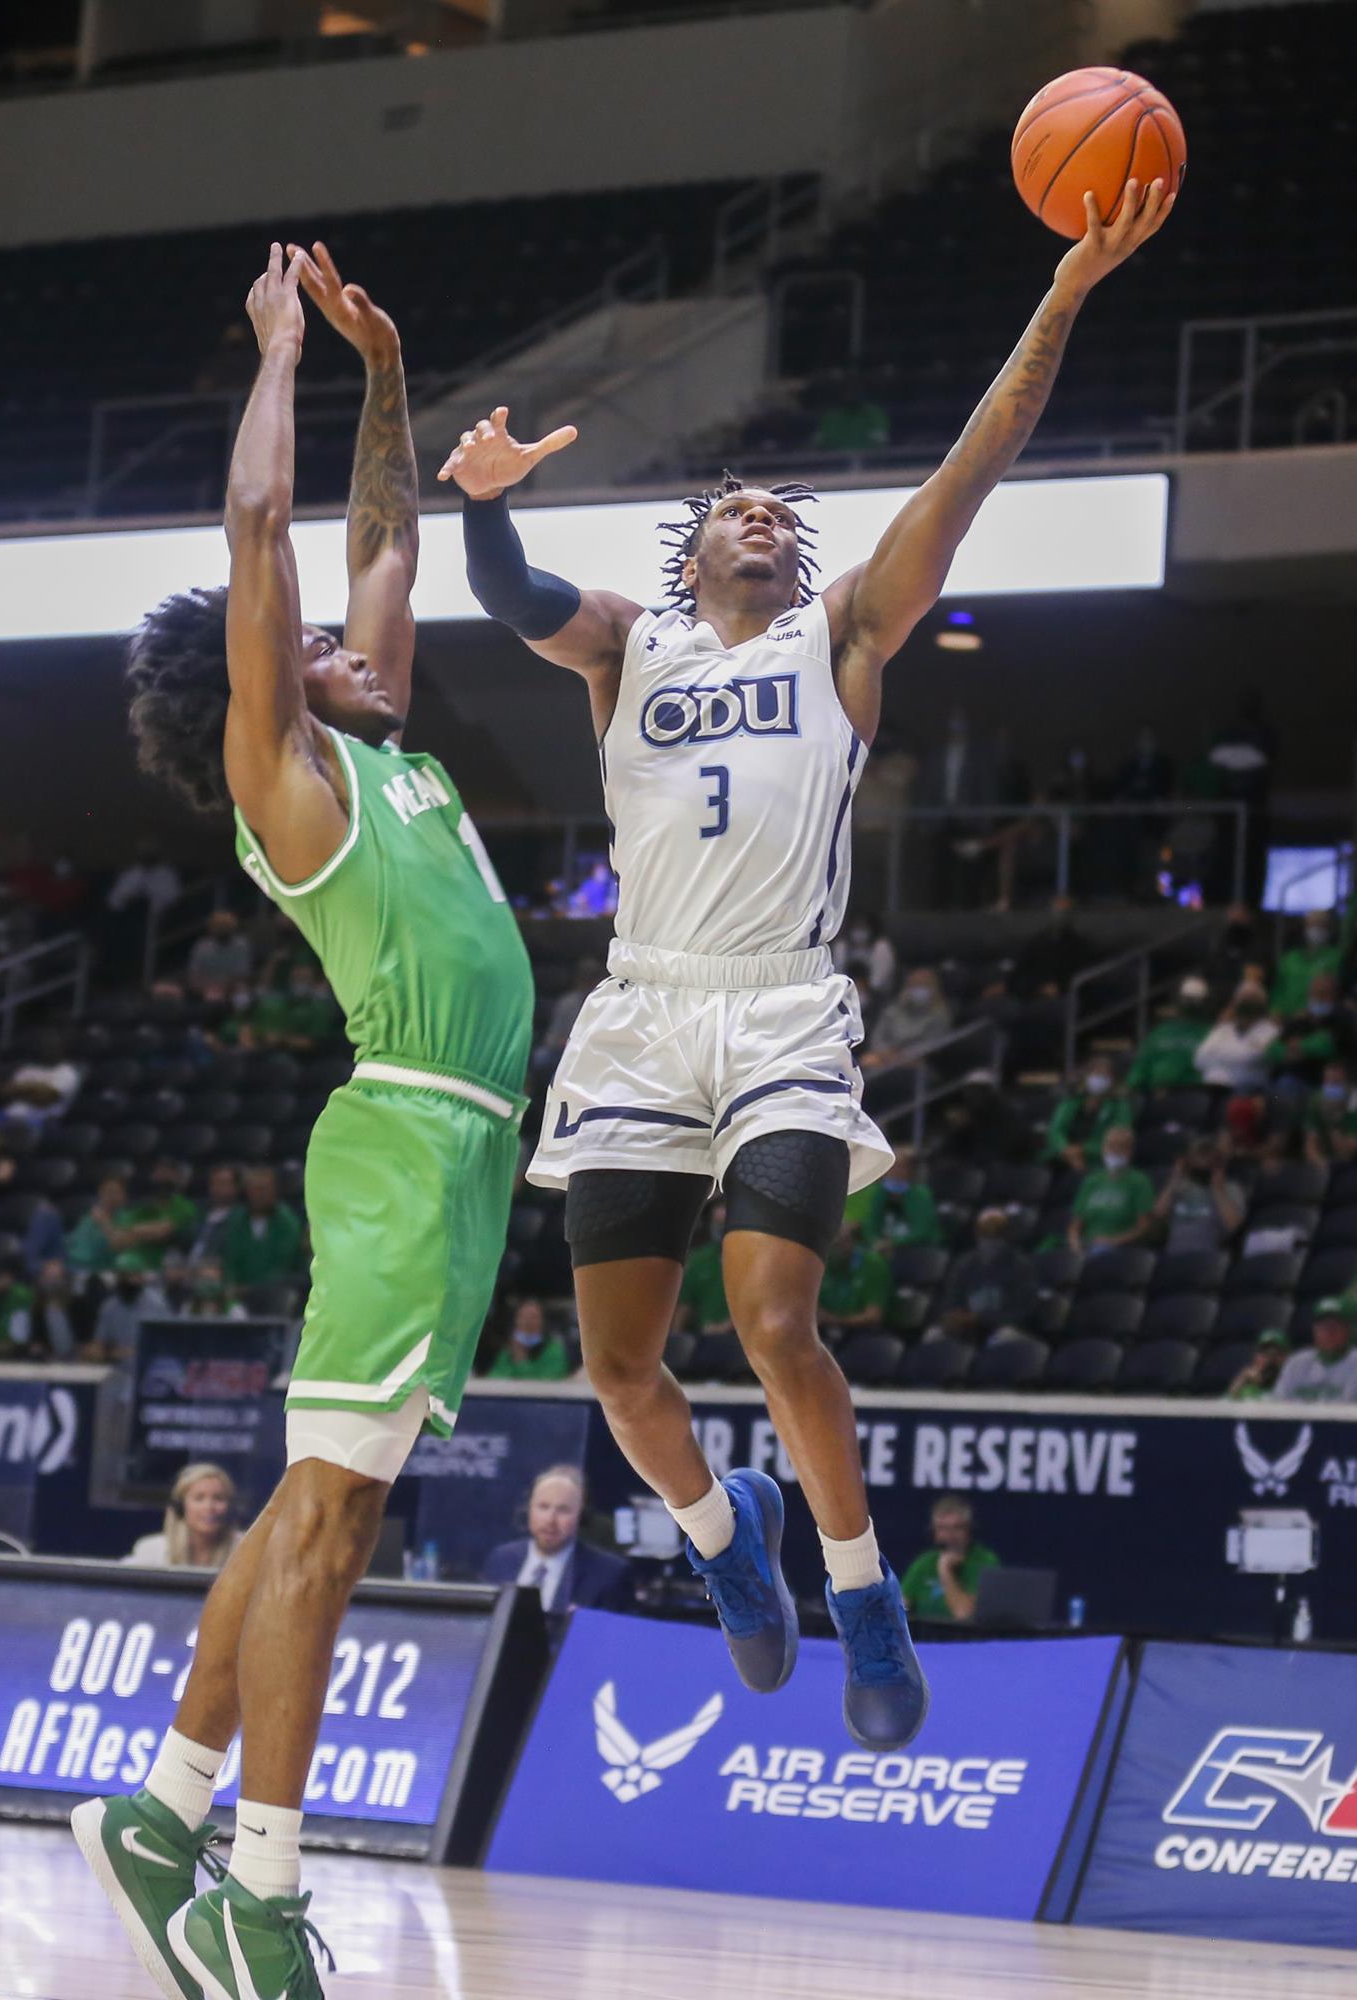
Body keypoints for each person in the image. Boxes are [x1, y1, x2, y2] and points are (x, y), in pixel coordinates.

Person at [442, 169, 1170, 1754]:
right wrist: (485, 499)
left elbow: (967, 477)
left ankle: (862, 1597)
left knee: (775, 1325)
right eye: (736, 515)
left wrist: (1063, 293)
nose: (763, 523)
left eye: (783, 516)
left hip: (778, 1004)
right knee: (618, 1371)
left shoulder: (838, 638)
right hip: (640, 1013)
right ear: (691, 547)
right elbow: (502, 597)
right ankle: (727, 1549)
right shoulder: (625, 643)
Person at [72, 238, 534, 2000]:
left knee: (294, 1512)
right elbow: (267, 544)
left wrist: (386, 373)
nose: (353, 639)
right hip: (409, 1145)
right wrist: (272, 350)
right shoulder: (297, 781)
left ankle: (164, 1808)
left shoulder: (394, 742)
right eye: (317, 650)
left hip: (470, 1153)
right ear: (258, 705)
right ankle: (256, 1897)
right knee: (336, 1531)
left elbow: (382, 543)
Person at [481, 1464, 633, 1612]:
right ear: (528, 1509)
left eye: (563, 1510)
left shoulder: (608, 1573)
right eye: (543, 1507)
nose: (550, 1520)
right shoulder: (501, 1559)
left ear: (582, 1516)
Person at [935, 1209, 1037, 1342]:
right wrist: (953, 1317)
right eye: (984, 1235)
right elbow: (952, 1301)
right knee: (934, 1335)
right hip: (969, 1330)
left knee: (1004, 1337)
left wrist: (980, 1318)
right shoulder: (964, 1264)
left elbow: (1022, 1314)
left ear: (1006, 1236)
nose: (989, 1242)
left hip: (1005, 1330)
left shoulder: (1021, 1267)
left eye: (995, 1236)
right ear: (977, 1236)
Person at [124, 1463, 246, 1571]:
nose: (209, 1507)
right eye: (199, 1498)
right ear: (180, 1508)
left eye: (218, 1498)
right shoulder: (151, 1550)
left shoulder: (245, 1550)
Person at [899, 1495, 1000, 1624]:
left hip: (966, 1639)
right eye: (942, 1529)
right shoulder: (924, 1563)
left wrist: (945, 1570)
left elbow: (964, 1614)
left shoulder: (985, 1561)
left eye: (957, 1528)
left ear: (969, 1530)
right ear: (934, 1533)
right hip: (925, 1638)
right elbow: (899, 1609)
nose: (950, 1536)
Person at [1067, 1126, 1154, 1255]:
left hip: (1118, 1248)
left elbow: (1144, 1227)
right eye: (1110, 1146)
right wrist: (1075, 1245)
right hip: (1087, 1244)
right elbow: (1076, 1224)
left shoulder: (1139, 1181)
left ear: (1130, 1151)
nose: (1115, 1151)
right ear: (1103, 1148)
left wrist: (1113, 1241)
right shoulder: (1092, 1181)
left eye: (1121, 1147)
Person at [1151, 1138, 1247, 1255]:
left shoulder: (1231, 1189)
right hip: (1173, 1255)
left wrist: (1218, 1191)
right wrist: (1175, 1179)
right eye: (1198, 1160)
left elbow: (1234, 1226)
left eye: (1207, 1162)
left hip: (1208, 1258)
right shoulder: (1180, 1186)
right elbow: (1157, 1213)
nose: (1202, 1166)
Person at [1266, 973, 1357, 1095]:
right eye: (1314, 993)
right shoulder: (1300, 1019)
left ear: (1335, 996)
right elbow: (1273, 1049)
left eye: (1324, 993)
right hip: (1299, 1078)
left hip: (1333, 1082)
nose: (1318, 997)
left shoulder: (1344, 1018)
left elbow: (1328, 1044)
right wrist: (1289, 1052)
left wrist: (1299, 1045)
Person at [218, 1166, 305, 1291]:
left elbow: (283, 1265)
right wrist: (231, 1286)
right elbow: (230, 1260)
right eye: (255, 1189)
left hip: (277, 1292)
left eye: (264, 1189)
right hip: (237, 1292)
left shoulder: (287, 1222)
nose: (259, 1194)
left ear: (274, 1191)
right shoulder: (236, 1221)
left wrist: (252, 1289)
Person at [1043, 1054, 1134, 1170]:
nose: (1100, 1079)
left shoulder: (1120, 1106)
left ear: (1113, 1080)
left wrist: (1082, 1149)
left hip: (1097, 1161)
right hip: (1062, 1157)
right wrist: (1066, 1149)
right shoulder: (1072, 1100)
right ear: (1086, 1077)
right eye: (1096, 1074)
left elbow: (1120, 1139)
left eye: (1105, 1075)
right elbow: (1055, 1131)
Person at [847, 1143, 942, 1252]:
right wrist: (876, 1242)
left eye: (901, 1167)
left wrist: (893, 1243)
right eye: (892, 1167)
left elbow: (922, 1231)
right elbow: (871, 1226)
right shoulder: (878, 1193)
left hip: (919, 1251)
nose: (895, 1172)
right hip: (883, 1249)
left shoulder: (921, 1195)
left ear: (911, 1171)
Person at [1126, 976, 1211, 1094]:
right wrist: (1132, 1084)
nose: (1190, 1004)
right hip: (1154, 1094)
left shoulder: (1208, 1033)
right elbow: (1142, 1062)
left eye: (1195, 1000)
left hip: (1192, 1094)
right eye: (1187, 999)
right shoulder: (1161, 1031)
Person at [861, 967, 953, 1072]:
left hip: (916, 1063)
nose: (919, 988)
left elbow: (931, 1047)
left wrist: (899, 1056)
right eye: (915, 984)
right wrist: (885, 1054)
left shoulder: (940, 1015)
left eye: (924, 985)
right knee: (865, 1062)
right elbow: (878, 1037)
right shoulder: (894, 1009)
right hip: (885, 1056)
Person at [817, 1221, 894, 1339]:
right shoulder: (824, 1264)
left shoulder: (873, 1265)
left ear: (851, 1241)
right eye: (830, 1247)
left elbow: (873, 1317)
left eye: (839, 1244)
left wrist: (832, 1319)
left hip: (864, 1335)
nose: (833, 1252)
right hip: (826, 1331)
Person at [1195, 983, 1279, 1090]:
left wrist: (1219, 1055)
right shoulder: (1223, 1029)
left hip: (1245, 1091)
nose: (1245, 1001)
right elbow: (1199, 1059)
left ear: (1261, 1004)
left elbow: (1250, 1058)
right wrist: (1232, 1055)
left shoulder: (1270, 1031)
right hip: (1209, 1088)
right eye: (1242, 998)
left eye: (1250, 998)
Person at [1273, 1299, 1357, 1404]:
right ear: (1314, 1329)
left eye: (1335, 1326)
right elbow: (1279, 1401)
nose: (1329, 1332)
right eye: (1323, 1326)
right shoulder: (1297, 1362)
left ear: (1349, 1330)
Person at [674, 1199, 735, 1337]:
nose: (721, 1214)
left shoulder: (759, 1260)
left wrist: (726, 1326)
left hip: (743, 1342)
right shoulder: (699, 1259)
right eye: (717, 1224)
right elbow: (684, 1307)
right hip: (704, 1341)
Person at [1271, 908, 1347, 1019]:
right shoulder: (1290, 958)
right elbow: (1278, 989)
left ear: (1328, 929)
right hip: (1283, 1018)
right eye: (1312, 924)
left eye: (1321, 925)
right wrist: (1275, 1010)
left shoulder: (1336, 958)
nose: (1316, 929)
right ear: (1305, 928)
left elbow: (1335, 991)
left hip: (1317, 1018)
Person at [0, 1029, 83, 1124]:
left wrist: (21, 1089)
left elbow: (45, 1098)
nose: (47, 1050)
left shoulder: (67, 1072)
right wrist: (35, 1088)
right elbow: (6, 1091)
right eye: (45, 1046)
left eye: (52, 1047)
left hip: (40, 1123)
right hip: (8, 1115)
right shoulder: (28, 1068)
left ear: (62, 1049)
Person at [487, 1297, 572, 1381]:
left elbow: (548, 1381)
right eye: (523, 1317)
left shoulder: (553, 1350)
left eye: (533, 1317)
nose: (527, 1322)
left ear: (543, 1321)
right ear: (515, 1321)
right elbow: (494, 1378)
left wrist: (521, 1362)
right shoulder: (507, 1351)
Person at [187, 909, 253, 999]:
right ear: (211, 928)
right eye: (219, 926)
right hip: (207, 987)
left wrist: (225, 987)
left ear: (233, 927)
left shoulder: (241, 946)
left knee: (242, 994)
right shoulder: (201, 947)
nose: (223, 929)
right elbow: (194, 975)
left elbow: (242, 975)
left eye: (226, 926)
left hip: (232, 987)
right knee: (212, 997)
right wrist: (208, 988)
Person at [1305, 1062, 1357, 1167]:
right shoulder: (1317, 1099)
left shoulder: (1354, 1100)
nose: (1331, 1087)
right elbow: (1310, 1141)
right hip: (1327, 1161)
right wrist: (1318, 1163)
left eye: (1337, 1083)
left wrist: (1335, 1129)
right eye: (1328, 1082)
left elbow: (1351, 1146)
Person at [189, 1163, 242, 1264]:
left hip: (216, 1269)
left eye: (223, 1183)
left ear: (236, 1187)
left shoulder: (241, 1217)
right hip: (188, 1267)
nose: (217, 1188)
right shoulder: (199, 1212)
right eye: (214, 1183)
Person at [1227, 1328, 1291, 1402]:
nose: (1270, 1359)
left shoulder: (1294, 1386)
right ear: (1255, 1357)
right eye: (1265, 1353)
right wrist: (1242, 1379)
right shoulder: (1245, 1389)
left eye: (1277, 1354)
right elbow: (1226, 1403)